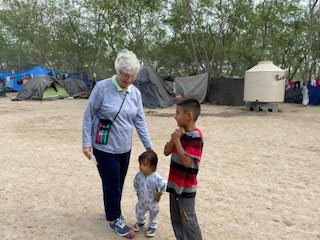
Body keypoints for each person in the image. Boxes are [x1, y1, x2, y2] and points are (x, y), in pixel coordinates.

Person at [82, 49, 153, 237]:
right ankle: (114, 220)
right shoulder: (102, 88)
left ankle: (112, 210)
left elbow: (140, 120)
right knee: (111, 182)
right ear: (117, 70)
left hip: (125, 148)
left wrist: (148, 145)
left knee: (118, 183)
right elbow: (89, 115)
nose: (127, 79)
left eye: (132, 76)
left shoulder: (135, 93)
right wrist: (86, 143)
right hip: (104, 147)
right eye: (124, 75)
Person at [164, 98, 203, 240]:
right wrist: (174, 139)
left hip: (186, 188)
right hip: (174, 184)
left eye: (178, 113)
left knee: (189, 221)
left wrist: (177, 141)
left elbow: (187, 162)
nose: (175, 117)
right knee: (176, 219)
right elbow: (166, 151)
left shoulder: (196, 137)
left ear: (189, 116)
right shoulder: (180, 134)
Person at [133, 151, 167, 237]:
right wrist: (138, 192)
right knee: (139, 211)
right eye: (140, 164)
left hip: (152, 200)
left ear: (152, 167)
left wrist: (159, 195)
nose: (141, 167)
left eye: (144, 165)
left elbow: (164, 185)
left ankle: (152, 226)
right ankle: (140, 222)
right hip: (142, 200)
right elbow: (136, 183)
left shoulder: (156, 177)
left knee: (153, 213)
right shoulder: (139, 175)